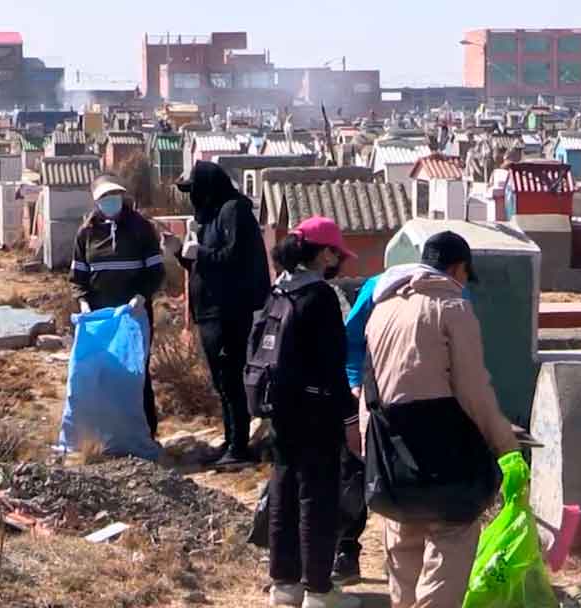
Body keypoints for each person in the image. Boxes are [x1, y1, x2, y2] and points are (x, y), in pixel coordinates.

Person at [363, 231, 522, 608]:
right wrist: (505, 445)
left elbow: (371, 390)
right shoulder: (452, 307)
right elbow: (473, 390)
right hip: (442, 449)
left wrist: (372, 452)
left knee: (403, 542)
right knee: (452, 539)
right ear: (458, 268)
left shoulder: (381, 309)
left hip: (391, 451)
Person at [265, 217, 360, 608]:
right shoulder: (319, 296)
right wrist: (350, 418)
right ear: (323, 253)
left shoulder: (279, 290)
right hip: (317, 411)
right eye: (336, 252)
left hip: (280, 408)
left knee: (283, 491)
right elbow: (332, 365)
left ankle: (284, 584)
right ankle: (319, 590)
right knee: (316, 498)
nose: (339, 260)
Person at [174, 160, 271, 467]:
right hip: (211, 312)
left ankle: (239, 447)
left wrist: (198, 252)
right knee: (221, 381)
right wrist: (181, 252)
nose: (192, 198)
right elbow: (207, 265)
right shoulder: (212, 216)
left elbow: (234, 257)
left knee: (231, 379)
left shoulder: (234, 211)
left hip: (231, 311)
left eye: (194, 190)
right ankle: (230, 440)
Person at [70, 174, 165, 437]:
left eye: (115, 196)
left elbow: (155, 270)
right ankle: (107, 434)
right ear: (96, 201)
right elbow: (77, 276)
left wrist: (142, 296)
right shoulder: (86, 233)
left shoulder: (140, 228)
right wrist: (83, 302)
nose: (111, 202)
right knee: (103, 374)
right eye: (105, 198)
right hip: (100, 318)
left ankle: (143, 434)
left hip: (133, 315)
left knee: (136, 374)